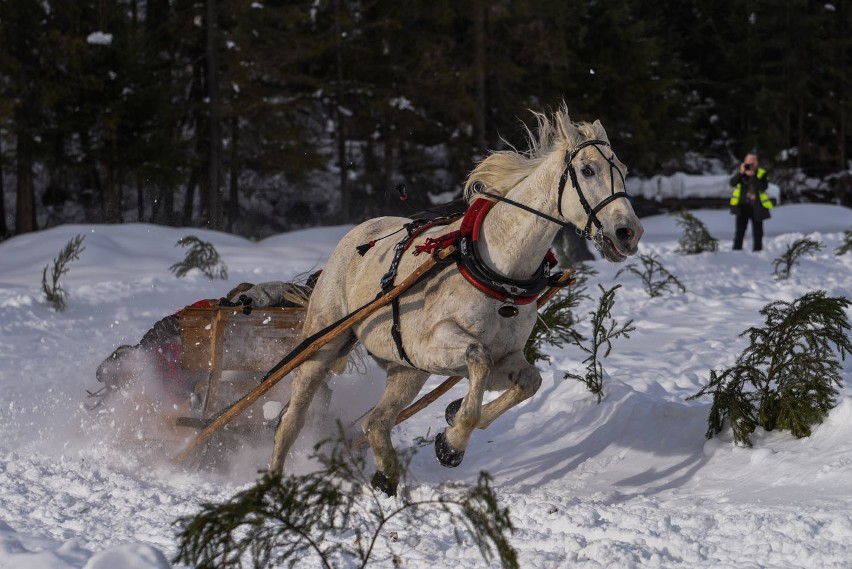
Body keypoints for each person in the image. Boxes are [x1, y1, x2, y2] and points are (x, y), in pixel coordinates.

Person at [729, 153, 773, 251]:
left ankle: (758, 252)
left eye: (753, 162)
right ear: (744, 162)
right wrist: (741, 173)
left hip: (756, 207)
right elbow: (732, 183)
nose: (751, 165)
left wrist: (753, 176)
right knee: (739, 231)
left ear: (757, 163)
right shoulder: (741, 173)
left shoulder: (762, 173)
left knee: (758, 232)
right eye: (749, 162)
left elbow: (763, 187)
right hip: (742, 206)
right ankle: (736, 251)